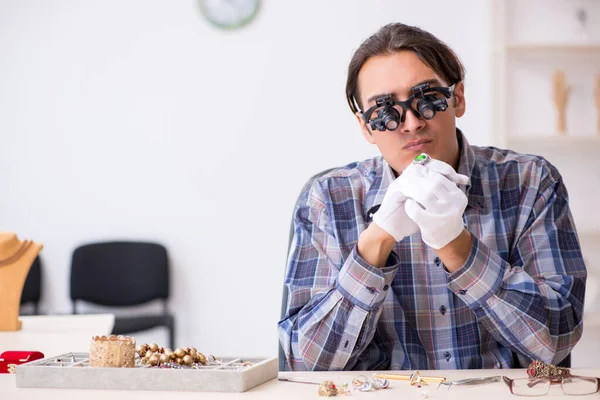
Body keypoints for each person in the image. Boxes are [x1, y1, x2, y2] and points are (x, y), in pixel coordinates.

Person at [277, 22, 587, 371]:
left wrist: (457, 247)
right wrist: (374, 243)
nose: (410, 123)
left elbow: (556, 340)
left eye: (427, 99)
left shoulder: (530, 181)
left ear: (458, 98)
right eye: (384, 112)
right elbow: (305, 364)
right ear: (365, 127)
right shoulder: (327, 199)